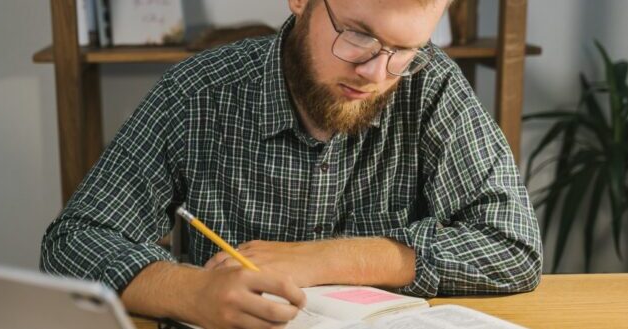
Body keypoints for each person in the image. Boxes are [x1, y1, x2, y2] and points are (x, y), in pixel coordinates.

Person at [40, 0, 542, 327]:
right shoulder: (198, 94)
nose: (374, 73)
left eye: (404, 49)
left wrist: (328, 258)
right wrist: (193, 292)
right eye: (358, 35)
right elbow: (73, 242)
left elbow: (513, 244)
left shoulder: (430, 87)